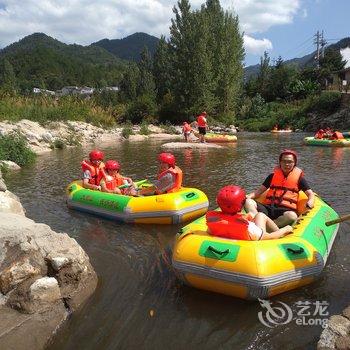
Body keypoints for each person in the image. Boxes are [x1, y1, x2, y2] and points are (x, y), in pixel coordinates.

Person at [244, 149, 315, 228]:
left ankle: (268, 227)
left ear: (294, 163)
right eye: (284, 161)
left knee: (292, 216)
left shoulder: (300, 179)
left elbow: (310, 193)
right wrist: (247, 197)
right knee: (248, 202)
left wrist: (310, 201)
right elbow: (259, 192)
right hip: (268, 208)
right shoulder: (272, 176)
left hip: (285, 210)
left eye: (290, 162)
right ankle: (256, 223)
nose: (286, 164)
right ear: (280, 162)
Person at [206, 185, 293, 241]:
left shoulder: (213, 221)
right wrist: (285, 230)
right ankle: (281, 235)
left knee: (258, 215)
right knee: (261, 215)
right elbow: (268, 237)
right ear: (241, 206)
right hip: (253, 238)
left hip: (241, 233)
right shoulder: (248, 227)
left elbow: (210, 231)